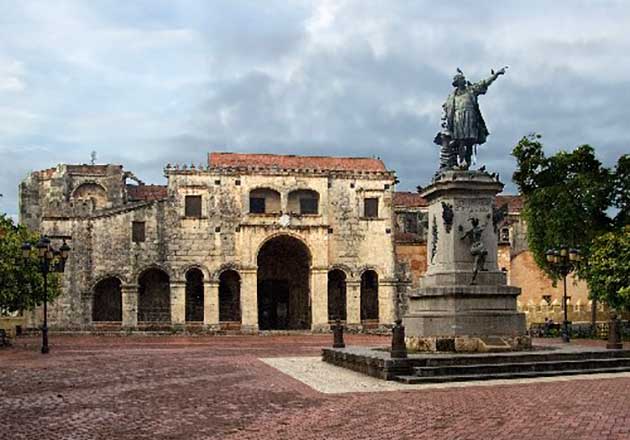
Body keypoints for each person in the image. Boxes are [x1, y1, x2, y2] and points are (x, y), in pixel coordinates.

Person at [434, 67, 507, 169]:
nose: (464, 80)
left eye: (464, 79)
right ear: (457, 82)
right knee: (460, 141)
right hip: (457, 119)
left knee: (470, 142)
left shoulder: (471, 90)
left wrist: (495, 75)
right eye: (462, 79)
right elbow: (446, 109)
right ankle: (462, 161)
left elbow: (484, 83)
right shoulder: (452, 96)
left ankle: (466, 163)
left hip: (470, 117)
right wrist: (445, 121)